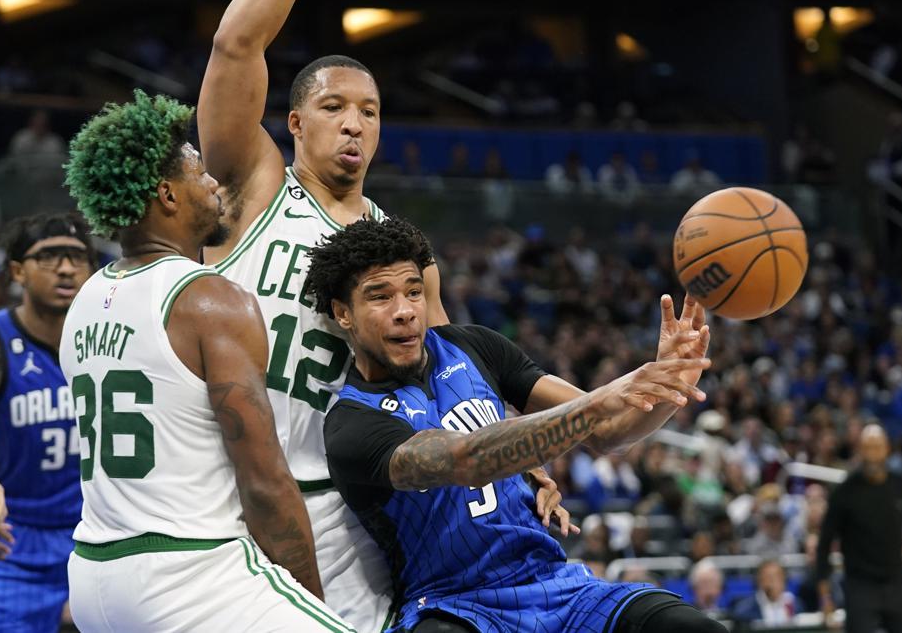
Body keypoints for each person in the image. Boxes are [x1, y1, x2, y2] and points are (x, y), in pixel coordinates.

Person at [197, 0, 470, 628]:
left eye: (369, 112)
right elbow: (235, 44)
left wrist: (518, 465)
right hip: (219, 487)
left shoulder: (401, 254)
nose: (353, 124)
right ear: (294, 122)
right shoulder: (254, 186)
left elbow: (453, 386)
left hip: (339, 505)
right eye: (334, 107)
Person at [308, 216, 725, 633]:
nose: (404, 312)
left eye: (414, 292)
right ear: (344, 313)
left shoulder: (472, 345)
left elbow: (607, 434)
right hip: (453, 604)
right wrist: (598, 402)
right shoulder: (353, 424)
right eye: (380, 297)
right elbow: (466, 460)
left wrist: (672, 386)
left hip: (554, 586)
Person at [60, 90, 351, 631]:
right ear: (168, 195)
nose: (215, 183)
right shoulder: (209, 298)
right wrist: (311, 604)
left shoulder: (84, 300)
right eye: (200, 173)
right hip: (187, 571)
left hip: (94, 577)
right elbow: (263, 483)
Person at [0, 212, 94, 632]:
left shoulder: (112, 341)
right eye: (49, 257)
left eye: (77, 256)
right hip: (14, 543)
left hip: (97, 534)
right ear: (17, 270)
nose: (66, 268)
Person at [816, 423, 902, 633]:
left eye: (877, 447)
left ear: (887, 449)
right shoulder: (844, 491)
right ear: (859, 450)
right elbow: (824, 544)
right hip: (860, 585)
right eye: (867, 447)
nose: (872, 454)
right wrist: (825, 596)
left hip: (896, 580)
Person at [731, 559, 801, 627]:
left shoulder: (795, 605)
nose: (774, 582)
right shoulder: (746, 610)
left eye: (777, 576)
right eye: (769, 577)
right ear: (759, 580)